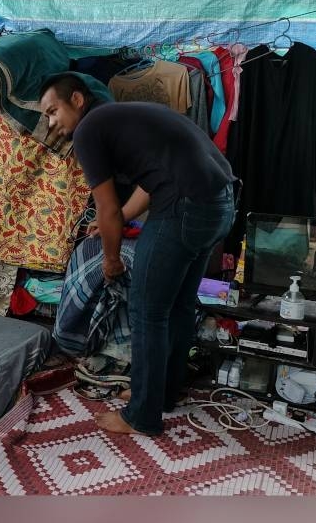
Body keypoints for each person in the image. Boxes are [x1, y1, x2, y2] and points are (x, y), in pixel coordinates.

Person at [40, 73, 237, 436]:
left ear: (77, 100)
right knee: (178, 306)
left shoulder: (88, 130)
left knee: (147, 312)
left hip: (184, 207)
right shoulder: (123, 118)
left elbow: (108, 208)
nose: (50, 122)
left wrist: (111, 259)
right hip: (220, 204)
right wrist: (118, 220)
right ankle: (162, 395)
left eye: (53, 111)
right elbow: (149, 182)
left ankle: (142, 416)